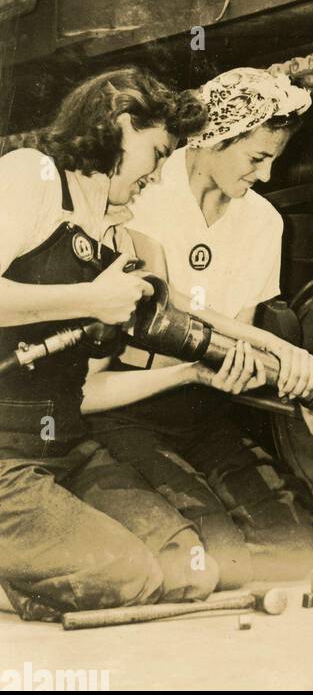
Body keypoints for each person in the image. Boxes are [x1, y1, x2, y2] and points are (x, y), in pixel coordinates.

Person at [86, 68, 313, 587]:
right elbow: (165, 309)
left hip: (201, 408)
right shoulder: (142, 192)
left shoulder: (263, 222)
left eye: (273, 161)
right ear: (216, 137)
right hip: (127, 408)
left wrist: (287, 382)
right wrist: (279, 351)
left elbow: (231, 337)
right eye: (256, 159)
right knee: (218, 558)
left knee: (297, 547)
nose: (264, 177)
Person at [0, 68, 219, 621]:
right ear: (121, 124)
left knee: (191, 568)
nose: (159, 172)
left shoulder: (111, 230)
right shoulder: (33, 177)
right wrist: (90, 300)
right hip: (3, 455)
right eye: (156, 152)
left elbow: (91, 379)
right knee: (128, 576)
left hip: (65, 445)